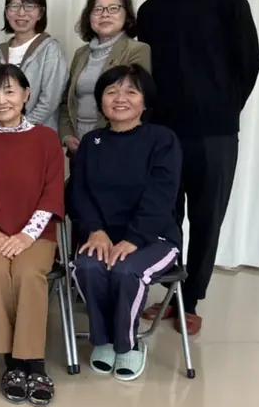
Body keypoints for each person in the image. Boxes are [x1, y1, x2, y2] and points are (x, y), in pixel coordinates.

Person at [136, 0, 259, 335]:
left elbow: (249, 62)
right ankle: (168, 294)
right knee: (166, 218)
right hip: (163, 133)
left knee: (207, 218)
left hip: (215, 133)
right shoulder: (150, 11)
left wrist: (225, 109)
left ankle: (191, 301)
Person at [0, 64, 64, 407]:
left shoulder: (46, 138)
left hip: (35, 232)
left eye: (9, 91)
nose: (0, 100)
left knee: (26, 273)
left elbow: (52, 193)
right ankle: (12, 362)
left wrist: (26, 236)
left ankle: (34, 362)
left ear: (26, 94)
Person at [70, 64, 182, 380]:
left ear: (145, 102)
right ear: (100, 100)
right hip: (101, 235)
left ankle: (129, 345)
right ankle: (104, 340)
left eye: (131, 92)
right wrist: (96, 230)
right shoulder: (91, 143)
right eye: (111, 91)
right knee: (88, 267)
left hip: (153, 237)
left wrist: (134, 238)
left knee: (125, 270)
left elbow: (162, 195)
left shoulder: (162, 139)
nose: (120, 98)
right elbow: (79, 192)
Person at [60, 0, 151, 156]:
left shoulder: (137, 50)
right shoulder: (81, 53)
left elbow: (136, 102)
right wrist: (66, 136)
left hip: (116, 141)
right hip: (78, 141)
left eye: (113, 8)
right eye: (98, 9)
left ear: (126, 15)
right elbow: (66, 101)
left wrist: (98, 138)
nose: (105, 14)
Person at [0, 0, 68, 133]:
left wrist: (21, 127)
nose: (21, 13)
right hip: (2, 133)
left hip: (37, 135)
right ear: (7, 12)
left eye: (29, 6)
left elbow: (50, 100)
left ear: (40, 13)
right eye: (14, 6)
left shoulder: (50, 48)